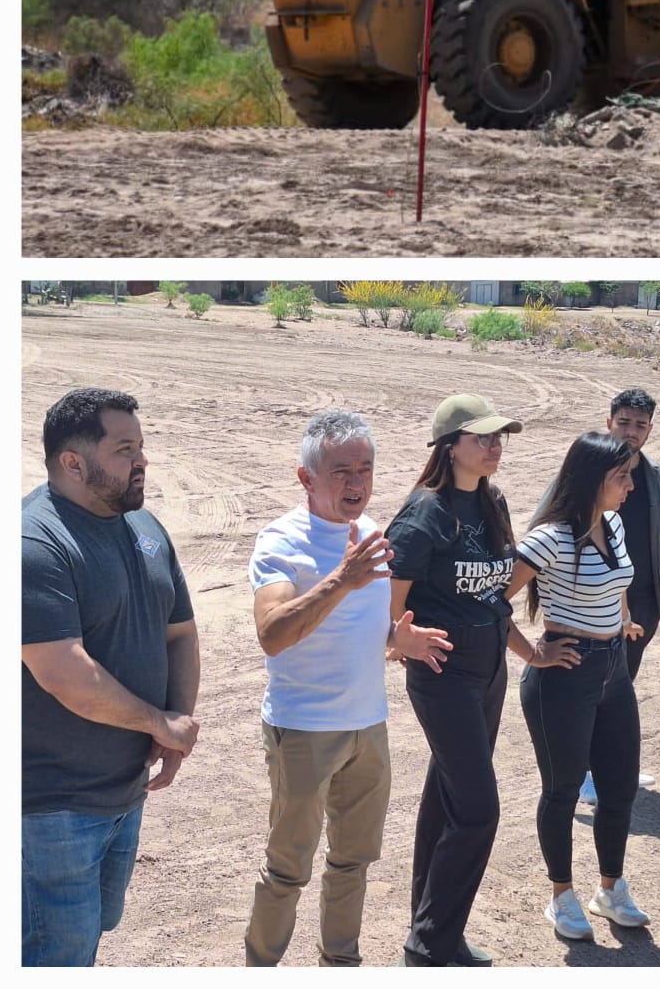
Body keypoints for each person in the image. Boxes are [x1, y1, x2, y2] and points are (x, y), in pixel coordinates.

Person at [244, 409, 451, 968]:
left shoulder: (374, 535)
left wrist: (395, 638)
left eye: (365, 468)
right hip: (304, 729)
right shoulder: (281, 541)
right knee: (288, 867)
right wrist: (342, 578)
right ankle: (260, 968)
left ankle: (341, 965)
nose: (357, 483)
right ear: (307, 478)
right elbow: (273, 634)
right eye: (341, 471)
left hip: (368, 727)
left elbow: (362, 625)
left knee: (353, 862)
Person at [386, 394, 579, 968]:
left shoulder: (492, 501)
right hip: (443, 670)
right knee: (478, 811)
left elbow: (492, 597)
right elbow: (388, 607)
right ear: (450, 447)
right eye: (483, 438)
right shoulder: (424, 514)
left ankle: (433, 931)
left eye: (500, 438)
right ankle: (428, 949)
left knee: (447, 802)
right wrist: (401, 643)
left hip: (489, 663)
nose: (496, 447)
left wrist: (531, 652)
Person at [22, 388, 201, 967]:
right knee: (55, 953)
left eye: (142, 447)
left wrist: (172, 731)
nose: (143, 460)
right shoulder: (33, 543)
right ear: (73, 462)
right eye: (125, 449)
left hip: (125, 789)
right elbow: (63, 673)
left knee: (93, 932)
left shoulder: (145, 528)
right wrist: (160, 722)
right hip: (48, 805)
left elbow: (180, 631)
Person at [511, 433, 650, 941]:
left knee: (620, 787)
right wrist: (532, 653)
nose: (631, 486)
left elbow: (619, 583)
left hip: (613, 670)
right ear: (593, 480)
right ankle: (561, 897)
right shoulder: (549, 538)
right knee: (563, 791)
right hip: (563, 678)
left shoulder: (612, 524)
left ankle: (610, 890)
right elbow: (490, 601)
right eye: (622, 477)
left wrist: (621, 623)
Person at [534, 388, 660, 804]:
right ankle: (579, 774)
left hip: (640, 608)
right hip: (587, 610)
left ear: (650, 430)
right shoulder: (581, 474)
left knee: (617, 688)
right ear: (608, 422)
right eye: (624, 422)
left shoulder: (657, 480)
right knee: (583, 692)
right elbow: (542, 534)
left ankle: (607, 766)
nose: (631, 432)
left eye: (640, 425)